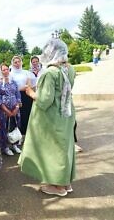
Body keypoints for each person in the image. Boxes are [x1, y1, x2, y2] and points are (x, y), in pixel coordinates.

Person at [18, 38, 76, 197]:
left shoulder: (50, 73)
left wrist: (30, 93)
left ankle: (57, 186)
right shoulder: (69, 69)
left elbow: (44, 101)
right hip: (67, 113)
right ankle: (66, 182)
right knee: (65, 147)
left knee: (53, 150)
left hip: (52, 117)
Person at [0, 63, 22, 156]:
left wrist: (16, 107)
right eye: (3, 70)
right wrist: (7, 111)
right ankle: (5, 147)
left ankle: (15, 145)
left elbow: (18, 95)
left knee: (15, 126)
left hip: (15, 110)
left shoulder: (13, 82)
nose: (6, 71)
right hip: (4, 112)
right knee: (4, 128)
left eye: (7, 69)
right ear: (0, 71)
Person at [10, 56, 31, 143]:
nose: (17, 63)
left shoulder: (26, 72)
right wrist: (20, 88)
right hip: (16, 96)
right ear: (12, 64)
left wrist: (25, 87)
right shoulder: (11, 74)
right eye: (15, 62)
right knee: (19, 116)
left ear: (21, 62)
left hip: (26, 96)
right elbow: (10, 87)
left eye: (19, 61)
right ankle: (19, 136)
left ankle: (27, 135)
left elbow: (29, 84)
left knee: (27, 115)